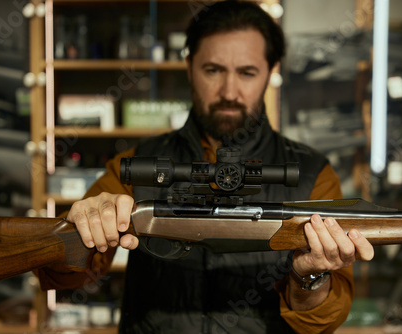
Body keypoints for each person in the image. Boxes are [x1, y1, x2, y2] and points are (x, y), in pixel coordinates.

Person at [36, 1, 374, 333]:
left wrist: (309, 276)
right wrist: (85, 225)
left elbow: (322, 322)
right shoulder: (135, 166)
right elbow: (66, 278)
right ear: (189, 67)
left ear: (271, 73)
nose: (229, 91)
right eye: (213, 70)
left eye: (247, 72)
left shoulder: (313, 174)